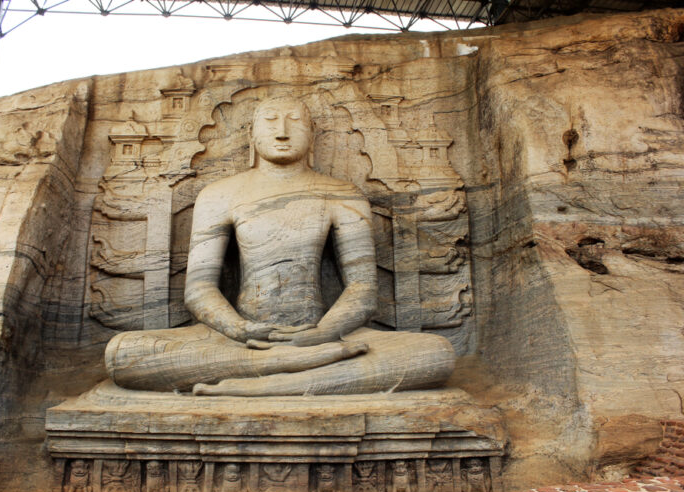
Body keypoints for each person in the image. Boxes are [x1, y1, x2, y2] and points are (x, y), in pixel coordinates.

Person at [104, 97, 455, 396]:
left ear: (312, 135)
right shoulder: (219, 195)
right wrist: (239, 329)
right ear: (251, 135)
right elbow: (199, 290)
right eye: (270, 121)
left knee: (434, 354)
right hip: (240, 341)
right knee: (123, 354)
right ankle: (286, 367)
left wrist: (322, 335)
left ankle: (249, 386)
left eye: (295, 122)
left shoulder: (343, 194)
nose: (282, 131)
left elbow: (362, 289)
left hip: (323, 335)